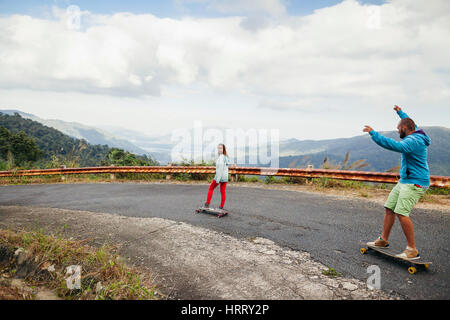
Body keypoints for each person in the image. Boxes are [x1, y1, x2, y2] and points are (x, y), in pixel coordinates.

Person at [363, 105, 431, 260]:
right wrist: (400, 113)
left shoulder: (412, 141)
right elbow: (410, 121)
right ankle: (383, 240)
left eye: (398, 129)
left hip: (415, 182)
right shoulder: (417, 131)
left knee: (401, 212)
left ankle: (412, 249)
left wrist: (374, 134)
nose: (397, 131)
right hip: (405, 180)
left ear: (405, 128)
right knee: (389, 208)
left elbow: (394, 145)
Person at [204, 143, 232, 209]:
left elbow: (220, 169)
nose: (219, 149)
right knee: (223, 192)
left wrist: (218, 180)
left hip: (220, 177)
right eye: (218, 148)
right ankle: (221, 206)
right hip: (225, 177)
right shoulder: (226, 157)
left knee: (210, 188)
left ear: (223, 149)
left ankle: (207, 204)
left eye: (220, 148)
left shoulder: (221, 157)